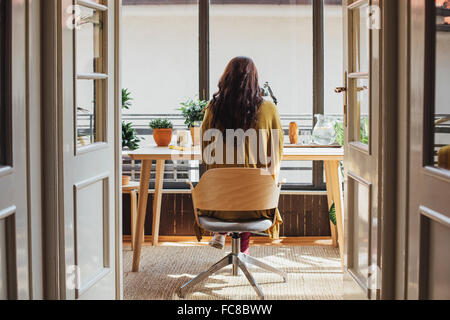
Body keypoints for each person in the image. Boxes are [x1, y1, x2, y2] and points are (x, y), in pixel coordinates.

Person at [194, 56, 284, 255]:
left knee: (233, 180)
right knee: (253, 181)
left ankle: (222, 233)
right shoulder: (268, 109)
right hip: (257, 205)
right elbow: (276, 154)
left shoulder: (212, 108)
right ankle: (243, 252)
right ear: (255, 80)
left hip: (217, 204)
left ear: (226, 78)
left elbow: (205, 155)